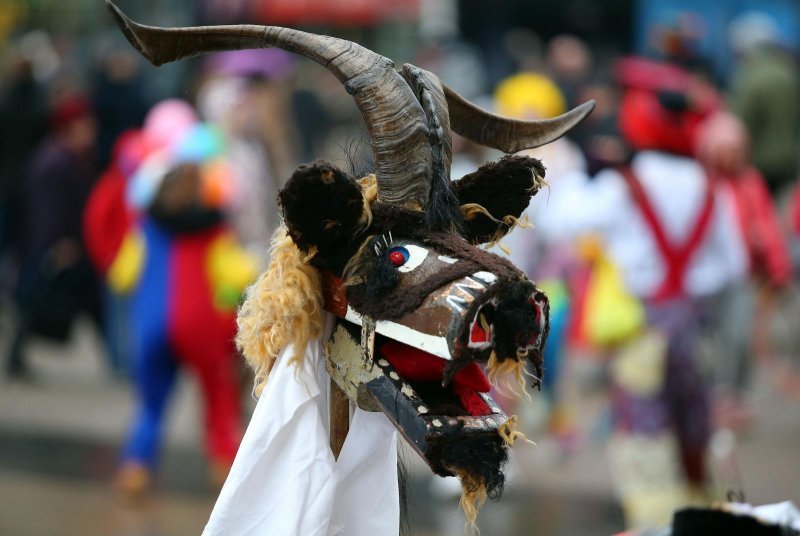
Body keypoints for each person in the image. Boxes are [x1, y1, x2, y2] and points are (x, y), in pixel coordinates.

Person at [548, 57, 747, 528]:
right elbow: (735, 265)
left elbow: (562, 219)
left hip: (643, 335)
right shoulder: (710, 186)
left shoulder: (625, 184)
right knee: (693, 435)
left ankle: (657, 525)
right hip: (696, 334)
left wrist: (585, 171)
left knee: (644, 436)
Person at [83, 100, 257, 499]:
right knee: (218, 400)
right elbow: (237, 273)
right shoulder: (214, 231)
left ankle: (136, 469)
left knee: (150, 404)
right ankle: (224, 467)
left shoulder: (147, 229)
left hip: (151, 324)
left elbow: (123, 274)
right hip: (204, 328)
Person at [694, 111, 793, 430]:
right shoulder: (699, 181)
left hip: (742, 275)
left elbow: (768, 226)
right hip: (705, 277)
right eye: (725, 149)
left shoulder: (750, 182)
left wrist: (777, 268)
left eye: (737, 150)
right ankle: (714, 396)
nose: (731, 157)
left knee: (739, 337)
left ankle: (736, 395)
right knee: (706, 342)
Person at [5, 96, 102, 379]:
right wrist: (56, 242)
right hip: (48, 244)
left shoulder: (67, 157)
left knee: (34, 300)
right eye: (85, 124)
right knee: (33, 299)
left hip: (49, 242)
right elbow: (48, 208)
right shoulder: (56, 160)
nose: (92, 128)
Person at [728, 11, 800, 195]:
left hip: (758, 164)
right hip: (789, 162)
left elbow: (739, 125)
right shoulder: (789, 73)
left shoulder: (750, 77)